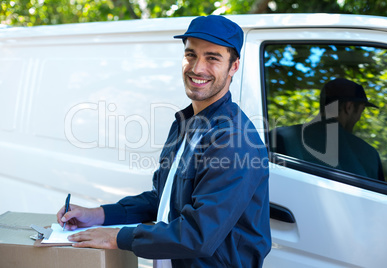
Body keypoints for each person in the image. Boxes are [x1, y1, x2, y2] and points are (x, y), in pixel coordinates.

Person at [57, 15, 271, 267]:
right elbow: (164, 199)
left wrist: (118, 237)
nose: (197, 68)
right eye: (191, 55)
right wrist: (99, 215)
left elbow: (198, 235)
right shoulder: (185, 123)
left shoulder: (232, 139)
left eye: (212, 58)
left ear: (234, 66)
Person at [270, 78, 384, 181]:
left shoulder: (279, 136)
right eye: (361, 110)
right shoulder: (369, 155)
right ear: (348, 107)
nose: (359, 118)